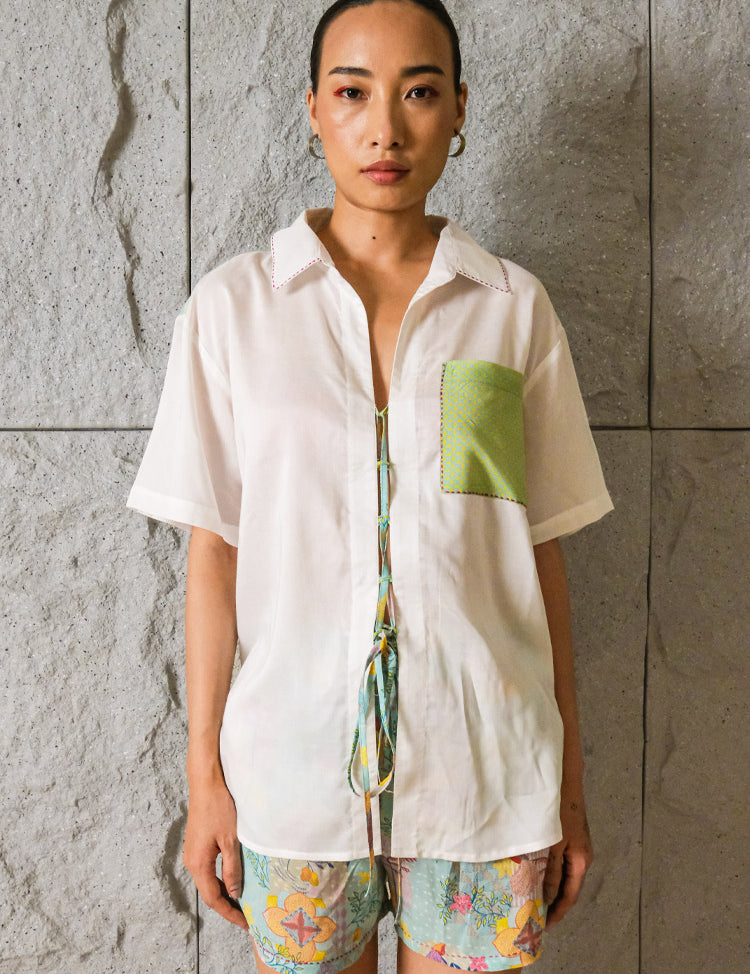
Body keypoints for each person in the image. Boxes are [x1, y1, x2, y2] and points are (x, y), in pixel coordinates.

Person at [125, 1, 614, 971]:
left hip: (487, 787)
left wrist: (566, 789)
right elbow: (214, 555)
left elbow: (539, 552)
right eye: (352, 92)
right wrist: (205, 779)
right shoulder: (236, 309)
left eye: (419, 92)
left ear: (459, 108)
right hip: (292, 789)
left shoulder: (510, 310)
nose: (385, 127)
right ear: (314, 109)